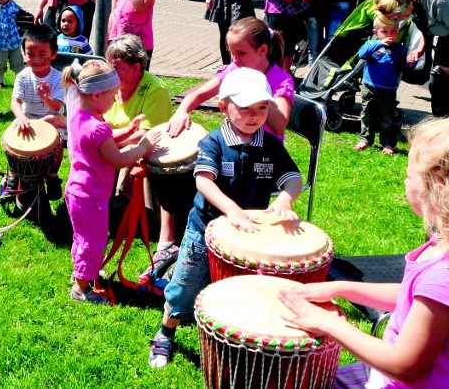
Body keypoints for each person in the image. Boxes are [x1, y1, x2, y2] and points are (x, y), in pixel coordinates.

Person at [148, 67, 302, 368]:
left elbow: (293, 177)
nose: (255, 115)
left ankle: (233, 340)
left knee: (242, 290)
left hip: (249, 237)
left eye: (262, 107)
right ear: (223, 107)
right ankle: (166, 332)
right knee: (185, 286)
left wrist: (285, 197)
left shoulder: (270, 145)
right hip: (204, 231)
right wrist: (231, 209)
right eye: (245, 108)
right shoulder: (213, 142)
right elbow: (204, 181)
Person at [280, 117, 449, 389]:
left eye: (408, 176)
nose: (404, 182)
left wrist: (330, 325)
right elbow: (409, 297)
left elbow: (404, 366)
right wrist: (342, 288)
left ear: (435, 190)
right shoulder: (441, 246)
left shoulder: (442, 276)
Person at [62, 59, 162, 304]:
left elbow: (105, 139)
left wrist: (128, 131)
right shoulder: (96, 127)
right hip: (91, 197)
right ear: (96, 95)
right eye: (113, 95)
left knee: (83, 237)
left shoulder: (80, 114)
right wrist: (144, 146)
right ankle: (81, 289)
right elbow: (117, 159)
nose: (116, 100)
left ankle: (85, 272)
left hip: (78, 192)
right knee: (92, 241)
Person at [103, 35, 174, 277]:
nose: (110, 73)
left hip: (145, 150)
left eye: (116, 68)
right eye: (108, 65)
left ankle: (118, 211)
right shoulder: (110, 86)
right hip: (112, 143)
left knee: (123, 154)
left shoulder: (155, 90)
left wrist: (104, 140)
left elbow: (148, 135)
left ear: (136, 68)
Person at [168, 17, 294, 141]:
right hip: (233, 145)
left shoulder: (280, 80)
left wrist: (256, 87)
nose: (234, 59)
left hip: (266, 154)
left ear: (262, 50)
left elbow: (278, 127)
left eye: (241, 53)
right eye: (231, 52)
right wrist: (181, 111)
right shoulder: (233, 70)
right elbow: (198, 95)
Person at [9, 26, 64, 200]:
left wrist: (46, 98)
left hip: (51, 121)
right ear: (24, 53)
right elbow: (15, 101)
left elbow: (56, 107)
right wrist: (20, 116)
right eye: (30, 54)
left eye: (42, 54)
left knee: (59, 144)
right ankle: (14, 172)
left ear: (54, 54)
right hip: (28, 119)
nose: (36, 59)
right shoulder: (23, 76)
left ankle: (53, 176)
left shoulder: (57, 78)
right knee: (13, 141)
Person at [355, 17, 416, 155]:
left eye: (393, 31)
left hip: (388, 89)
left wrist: (411, 62)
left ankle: (388, 143)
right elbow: (362, 54)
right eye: (384, 31)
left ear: (398, 31)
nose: (389, 34)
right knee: (367, 114)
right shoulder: (371, 44)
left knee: (387, 117)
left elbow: (404, 66)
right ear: (376, 32)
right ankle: (365, 139)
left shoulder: (399, 49)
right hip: (369, 86)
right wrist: (378, 44)